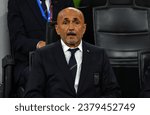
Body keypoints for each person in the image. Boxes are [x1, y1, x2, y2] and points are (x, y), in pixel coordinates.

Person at [24, 7, 121, 98]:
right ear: (57, 29)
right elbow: (32, 95)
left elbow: (113, 92)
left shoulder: (99, 54)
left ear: (84, 28)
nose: (71, 28)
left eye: (76, 22)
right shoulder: (43, 55)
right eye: (65, 23)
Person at [7, 0, 74, 95]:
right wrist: (39, 44)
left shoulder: (65, 2)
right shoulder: (17, 2)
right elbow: (17, 40)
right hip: (30, 63)